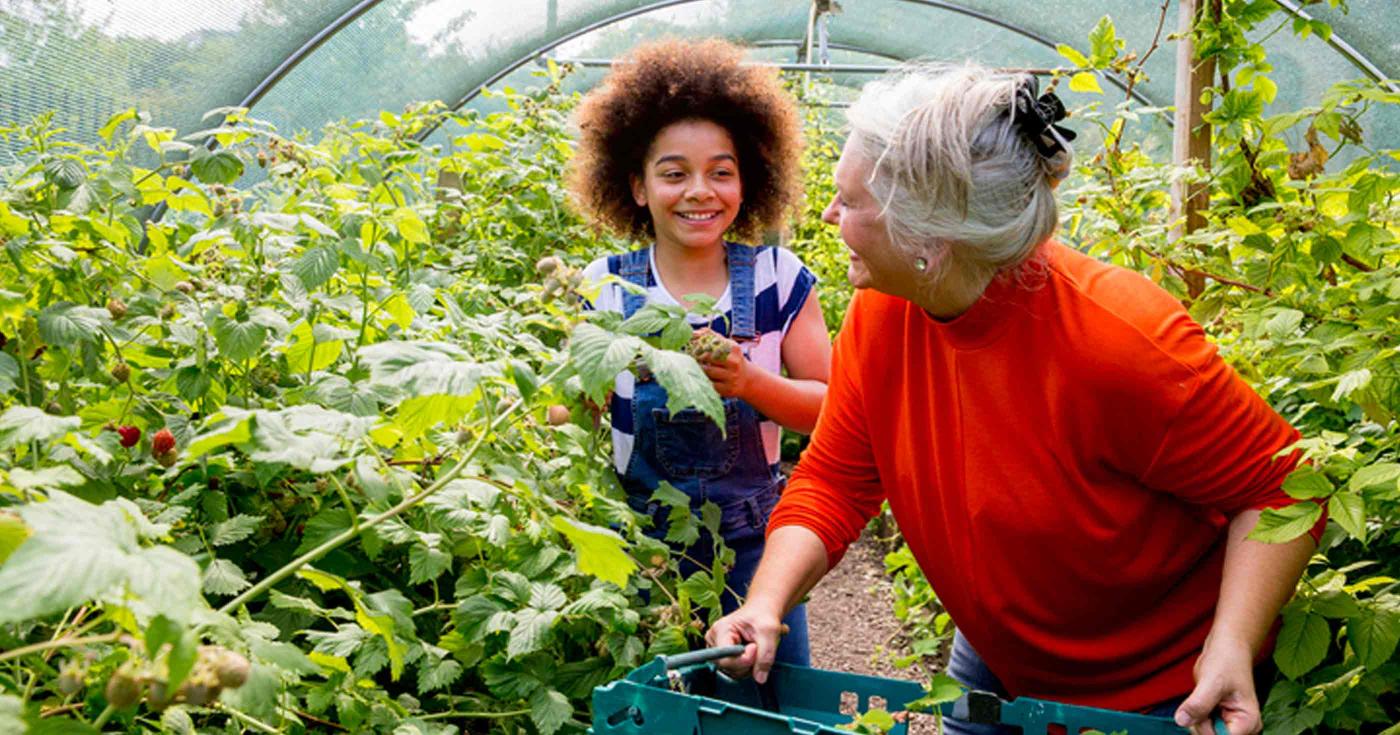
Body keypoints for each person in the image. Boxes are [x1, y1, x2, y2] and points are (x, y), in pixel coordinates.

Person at [706, 63, 1320, 735]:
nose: (829, 214)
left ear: (929, 241)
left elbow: (1285, 485)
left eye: (850, 202)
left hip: (1161, 693)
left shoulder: (1121, 341)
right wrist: (765, 604)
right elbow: (835, 478)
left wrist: (1229, 644)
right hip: (999, 662)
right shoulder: (884, 314)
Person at [567, 38, 831, 666]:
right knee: (658, 702)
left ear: (748, 180)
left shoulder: (778, 279)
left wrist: (748, 383)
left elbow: (831, 407)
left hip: (754, 546)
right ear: (635, 186)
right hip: (639, 548)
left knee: (767, 694)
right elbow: (574, 414)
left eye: (721, 171)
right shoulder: (607, 287)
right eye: (674, 173)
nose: (699, 192)